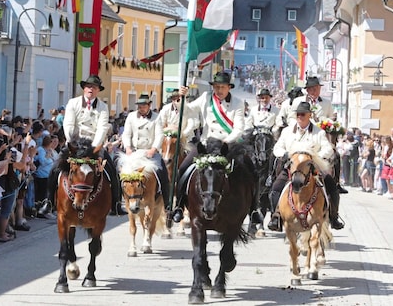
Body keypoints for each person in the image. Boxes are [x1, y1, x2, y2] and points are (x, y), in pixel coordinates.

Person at [174, 71, 252, 223]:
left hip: (227, 145)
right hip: (207, 144)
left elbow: (239, 128)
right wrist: (181, 98)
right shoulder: (205, 98)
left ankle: (253, 209)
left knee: (250, 168)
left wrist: (227, 142)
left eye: (222, 87)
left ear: (229, 87)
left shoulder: (237, 103)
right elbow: (188, 111)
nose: (219, 90)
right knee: (183, 168)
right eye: (216, 87)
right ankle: (179, 206)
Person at [267, 102, 343, 231]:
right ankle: (276, 215)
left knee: (331, 185)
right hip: (292, 167)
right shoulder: (287, 131)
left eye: (303, 114)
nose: (300, 117)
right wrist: (285, 155)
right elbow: (277, 148)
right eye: (298, 114)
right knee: (275, 187)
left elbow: (328, 149)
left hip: (313, 168)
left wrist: (315, 158)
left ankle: (334, 216)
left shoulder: (319, 132)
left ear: (310, 115)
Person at [63, 75, 125, 215]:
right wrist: (72, 143)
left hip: (94, 145)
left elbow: (102, 128)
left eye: (94, 87)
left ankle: (116, 203)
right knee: (55, 169)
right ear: (84, 88)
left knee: (112, 171)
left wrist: (95, 148)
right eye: (89, 86)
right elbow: (68, 124)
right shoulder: (73, 103)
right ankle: (47, 202)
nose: (91, 89)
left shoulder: (103, 107)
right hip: (76, 143)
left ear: (98, 90)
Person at [121, 93, 170, 210]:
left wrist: (153, 149)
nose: (141, 108)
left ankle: (167, 203)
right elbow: (126, 133)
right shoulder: (131, 116)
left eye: (143, 106)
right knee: (121, 172)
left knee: (162, 172)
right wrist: (127, 147)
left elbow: (159, 135)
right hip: (134, 152)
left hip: (150, 152)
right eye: (139, 106)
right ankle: (119, 200)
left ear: (149, 105)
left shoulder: (156, 117)